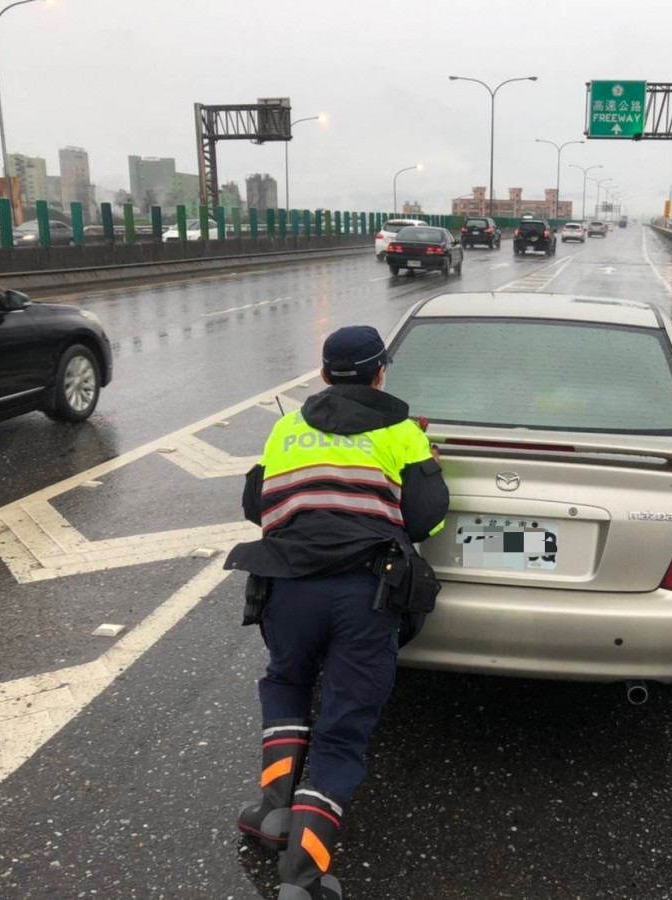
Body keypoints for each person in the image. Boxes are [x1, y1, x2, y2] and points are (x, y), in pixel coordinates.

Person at [225, 325, 449, 900]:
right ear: (381, 373)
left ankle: (272, 811)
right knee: (343, 724)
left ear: (324, 375)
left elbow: (256, 503)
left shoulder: (288, 425)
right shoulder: (403, 432)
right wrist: (424, 464)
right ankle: (304, 875)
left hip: (286, 583)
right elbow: (427, 520)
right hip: (364, 591)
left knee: (287, 682)